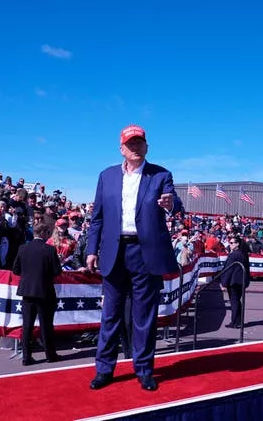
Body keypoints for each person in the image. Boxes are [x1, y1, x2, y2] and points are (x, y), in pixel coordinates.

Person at [87, 124, 181, 392]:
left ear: (147, 146)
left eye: (140, 142)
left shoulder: (161, 174)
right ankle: (104, 369)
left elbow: (175, 202)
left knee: (144, 317)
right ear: (121, 148)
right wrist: (92, 250)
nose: (135, 147)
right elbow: (97, 218)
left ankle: (144, 369)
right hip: (114, 253)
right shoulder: (106, 176)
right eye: (130, 143)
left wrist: (169, 204)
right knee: (110, 315)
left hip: (145, 253)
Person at [12, 222, 62, 366]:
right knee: (46, 326)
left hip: (27, 292)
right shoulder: (50, 250)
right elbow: (57, 271)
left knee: (27, 325)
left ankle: (26, 357)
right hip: (44, 292)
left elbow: (16, 270)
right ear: (44, 233)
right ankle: (50, 355)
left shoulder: (23, 248)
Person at [219, 236, 251, 329]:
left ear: (237, 244)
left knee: (234, 302)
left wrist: (224, 283)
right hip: (241, 281)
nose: (230, 244)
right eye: (230, 242)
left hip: (233, 281)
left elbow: (229, 269)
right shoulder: (243, 254)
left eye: (232, 243)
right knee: (237, 301)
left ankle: (234, 322)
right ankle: (238, 321)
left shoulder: (234, 254)